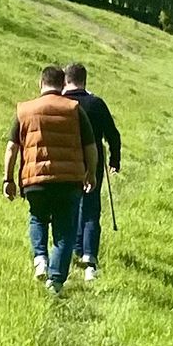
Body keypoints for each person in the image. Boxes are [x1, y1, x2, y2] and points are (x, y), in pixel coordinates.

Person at [3, 65, 97, 296]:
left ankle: (40, 259)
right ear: (63, 84)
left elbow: (12, 148)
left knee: (37, 218)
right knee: (65, 231)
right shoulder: (74, 108)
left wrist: (8, 179)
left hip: (35, 179)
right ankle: (55, 281)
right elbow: (91, 146)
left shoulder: (25, 110)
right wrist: (91, 173)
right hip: (69, 180)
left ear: (40, 83)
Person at [63, 62, 121, 283]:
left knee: (68, 207)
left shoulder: (59, 103)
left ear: (66, 80)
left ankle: (72, 252)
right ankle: (89, 258)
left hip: (65, 162)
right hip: (92, 161)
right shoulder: (96, 103)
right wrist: (115, 160)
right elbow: (113, 135)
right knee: (90, 208)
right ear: (84, 80)